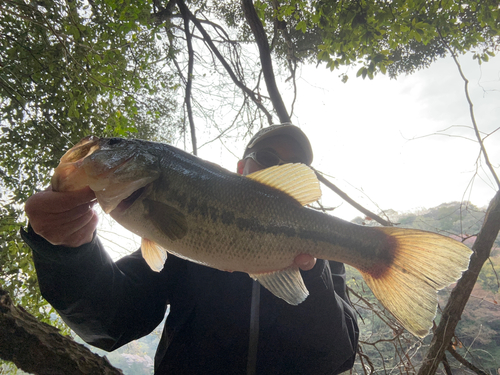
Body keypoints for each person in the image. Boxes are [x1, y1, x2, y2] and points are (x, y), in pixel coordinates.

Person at [22, 124, 359, 374]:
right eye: (267, 157)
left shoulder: (325, 263)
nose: (279, 168)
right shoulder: (181, 247)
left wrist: (312, 274)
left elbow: (337, 357)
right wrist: (69, 252)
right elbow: (112, 323)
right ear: (241, 168)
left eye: (296, 165)